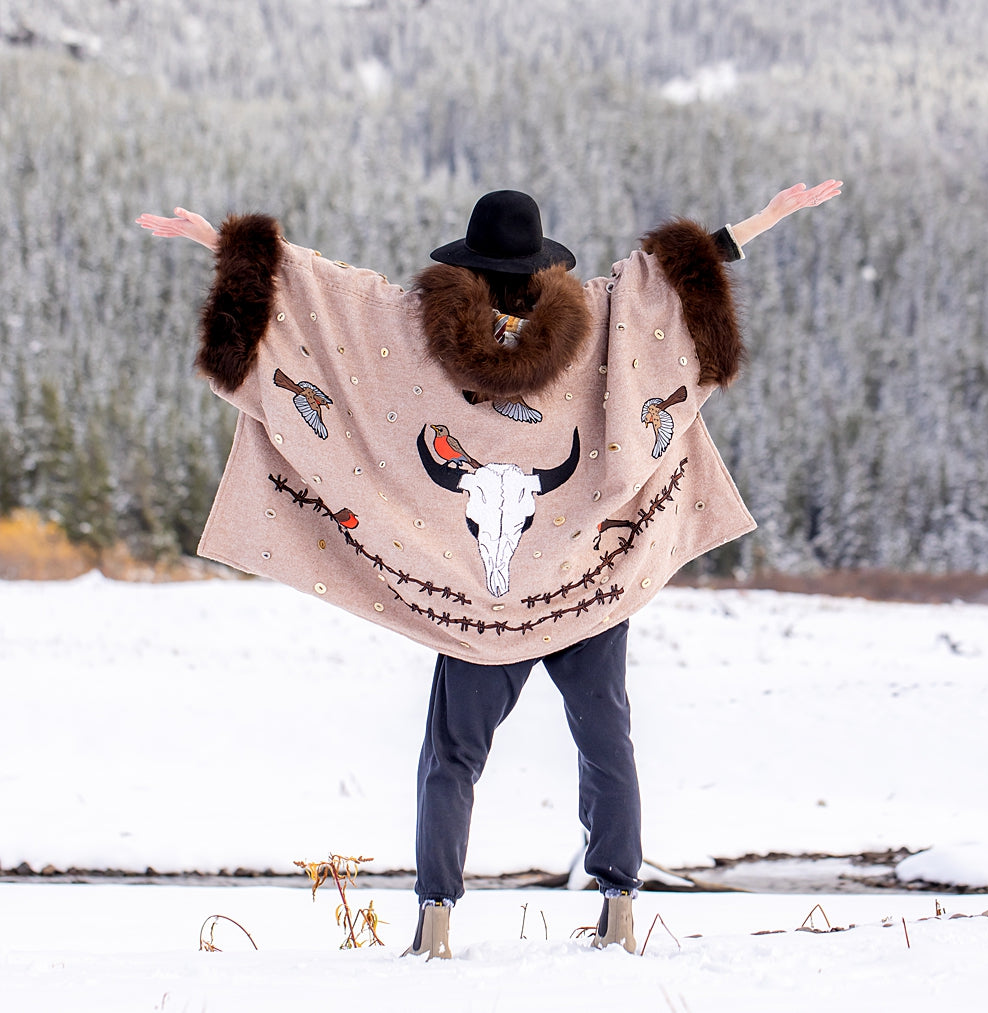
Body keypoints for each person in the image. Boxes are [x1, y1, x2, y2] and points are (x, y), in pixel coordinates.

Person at [137, 177, 841, 958]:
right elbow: (665, 287)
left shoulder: (410, 328)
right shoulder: (594, 321)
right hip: (586, 584)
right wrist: (762, 219)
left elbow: (323, 295)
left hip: (474, 601)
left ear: (464, 267)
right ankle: (618, 908)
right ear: (544, 267)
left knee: (452, 756)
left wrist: (227, 245)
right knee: (605, 741)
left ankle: (435, 921)